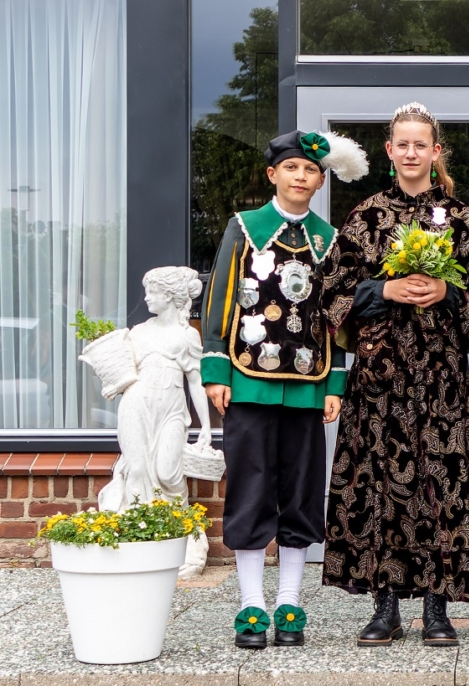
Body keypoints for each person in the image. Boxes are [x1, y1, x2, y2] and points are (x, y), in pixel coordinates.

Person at [321, 102, 469, 648]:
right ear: (389, 151)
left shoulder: (461, 219)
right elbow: (331, 294)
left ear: (436, 151)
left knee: (442, 484)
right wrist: (384, 290)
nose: (412, 152)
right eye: (403, 144)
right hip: (380, 375)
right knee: (379, 484)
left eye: (422, 144)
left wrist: (448, 292)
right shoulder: (365, 216)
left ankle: (438, 608)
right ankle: (386, 606)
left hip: (441, 378)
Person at [201, 129, 368, 649]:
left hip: (308, 385)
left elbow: (339, 318)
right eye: (292, 167)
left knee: (300, 492)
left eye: (311, 170)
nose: (301, 176)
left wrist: (337, 381)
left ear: (321, 182)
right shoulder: (243, 227)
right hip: (248, 381)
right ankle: (251, 603)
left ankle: (290, 601)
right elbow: (220, 298)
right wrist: (215, 370)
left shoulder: (329, 239)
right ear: (273, 174)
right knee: (250, 489)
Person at [98, 266, 212, 576]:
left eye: (153, 292)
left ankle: (183, 540)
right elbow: (121, 372)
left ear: (170, 296)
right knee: (136, 470)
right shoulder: (137, 333)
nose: (146, 297)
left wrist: (205, 425)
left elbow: (195, 382)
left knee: (167, 472)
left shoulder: (187, 335)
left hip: (170, 409)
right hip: (135, 405)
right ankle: (140, 540)